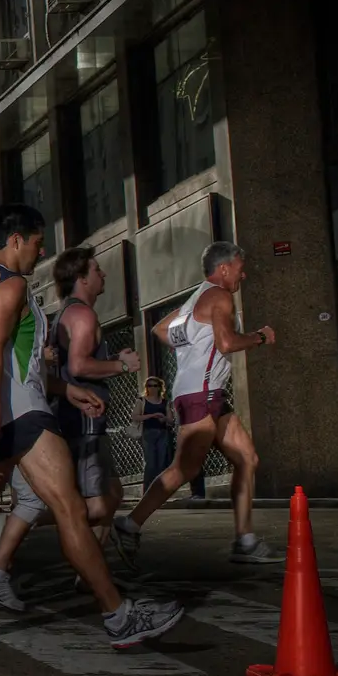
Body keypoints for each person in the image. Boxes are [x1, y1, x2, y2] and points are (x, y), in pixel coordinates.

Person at [0, 204, 183, 653]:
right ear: (16, 238)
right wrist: (2, 415)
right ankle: (119, 617)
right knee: (70, 510)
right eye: (38, 241)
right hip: (20, 416)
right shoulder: (11, 284)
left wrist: (60, 388)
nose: (42, 251)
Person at [0, 246, 140, 610]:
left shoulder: (62, 313)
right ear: (82, 278)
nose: (104, 275)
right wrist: (121, 366)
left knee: (107, 494)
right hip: (75, 420)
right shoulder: (79, 316)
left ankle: (88, 570)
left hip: (65, 413)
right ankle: (19, 535)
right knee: (80, 507)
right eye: (97, 269)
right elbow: (79, 365)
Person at [113, 242, 277, 566]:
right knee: (185, 468)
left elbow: (161, 329)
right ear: (224, 268)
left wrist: (192, 354)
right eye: (240, 267)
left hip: (206, 391)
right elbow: (227, 342)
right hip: (200, 393)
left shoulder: (193, 300)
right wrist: (260, 336)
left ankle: (244, 540)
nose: (243, 274)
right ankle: (129, 525)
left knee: (247, 458)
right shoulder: (219, 296)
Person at [140, 376, 173, 487]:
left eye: (155, 386)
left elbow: (171, 420)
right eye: (150, 386)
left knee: (162, 463)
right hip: (148, 433)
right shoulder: (142, 401)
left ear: (160, 388)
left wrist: (164, 418)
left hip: (162, 433)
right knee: (151, 463)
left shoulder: (165, 402)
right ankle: (147, 490)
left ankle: (160, 489)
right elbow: (135, 416)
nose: (152, 388)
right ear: (146, 388)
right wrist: (152, 415)